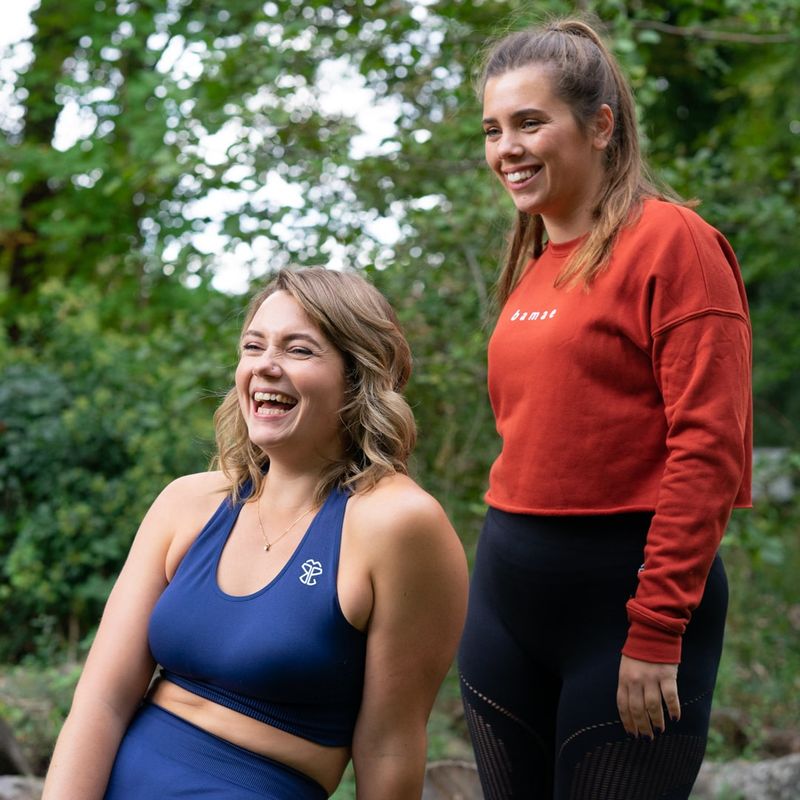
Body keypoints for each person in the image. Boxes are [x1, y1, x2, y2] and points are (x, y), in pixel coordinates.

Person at [458, 18, 752, 800]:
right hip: (506, 600)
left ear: (599, 125)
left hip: (626, 610)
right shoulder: (531, 262)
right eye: (492, 129)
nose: (507, 148)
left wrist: (657, 628)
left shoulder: (674, 243)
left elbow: (709, 449)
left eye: (529, 122)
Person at [43, 267, 468, 799]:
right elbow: (100, 701)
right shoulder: (188, 503)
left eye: (299, 350)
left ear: (357, 376)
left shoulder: (398, 523)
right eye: (253, 346)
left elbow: (389, 749)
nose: (265, 365)